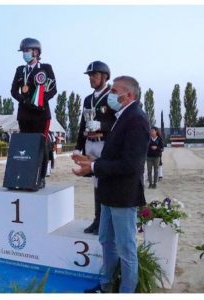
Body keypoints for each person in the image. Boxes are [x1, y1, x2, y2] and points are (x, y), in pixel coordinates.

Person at [72, 76, 150, 293]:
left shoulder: (137, 119)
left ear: (129, 95)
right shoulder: (121, 116)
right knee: (107, 241)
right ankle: (106, 287)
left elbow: (130, 165)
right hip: (108, 193)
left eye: (115, 91)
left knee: (126, 249)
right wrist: (92, 162)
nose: (111, 96)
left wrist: (95, 168)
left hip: (123, 196)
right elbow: (113, 155)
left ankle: (126, 292)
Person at [73, 61, 116, 235]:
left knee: (106, 182)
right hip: (90, 143)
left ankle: (105, 221)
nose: (91, 78)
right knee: (96, 183)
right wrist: (78, 147)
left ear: (105, 76)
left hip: (105, 143)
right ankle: (98, 219)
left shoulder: (111, 96)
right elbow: (82, 123)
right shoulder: (87, 99)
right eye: (90, 75)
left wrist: (102, 125)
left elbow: (116, 122)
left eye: (95, 75)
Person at [10, 37, 57, 189]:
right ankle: (26, 176)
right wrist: (23, 101)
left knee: (40, 145)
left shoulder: (46, 68)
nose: (24, 54)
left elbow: (53, 89)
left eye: (27, 51)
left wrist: (40, 102)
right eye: (23, 51)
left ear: (36, 52)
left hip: (41, 114)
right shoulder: (19, 70)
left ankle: (41, 177)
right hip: (24, 114)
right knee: (26, 147)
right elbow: (13, 91)